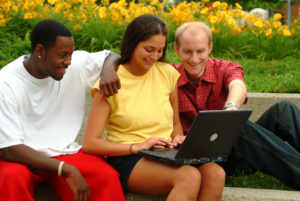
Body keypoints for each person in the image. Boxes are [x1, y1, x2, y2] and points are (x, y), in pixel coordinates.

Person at [82, 14, 225, 201]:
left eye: (160, 50)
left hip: (166, 153)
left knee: (216, 173)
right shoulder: (111, 82)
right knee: (189, 176)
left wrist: (178, 139)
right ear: (133, 44)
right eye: (149, 49)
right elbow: (90, 143)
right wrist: (137, 147)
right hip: (129, 157)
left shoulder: (167, 73)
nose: (154, 57)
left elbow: (175, 123)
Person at [0, 19, 125, 201]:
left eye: (71, 54)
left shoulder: (74, 65)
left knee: (106, 177)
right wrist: (64, 169)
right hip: (20, 158)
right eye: (62, 55)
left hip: (64, 152)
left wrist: (108, 72)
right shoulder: (6, 83)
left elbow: (111, 55)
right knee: (10, 179)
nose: (68, 62)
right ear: (40, 51)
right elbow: (10, 149)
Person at [172, 21, 300, 190]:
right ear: (176, 49)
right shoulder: (169, 77)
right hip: (206, 161)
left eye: (200, 51)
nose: (194, 58)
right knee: (235, 128)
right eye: (188, 52)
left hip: (241, 151)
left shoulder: (225, 68)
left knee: (284, 109)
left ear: (210, 48)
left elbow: (237, 85)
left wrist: (230, 108)